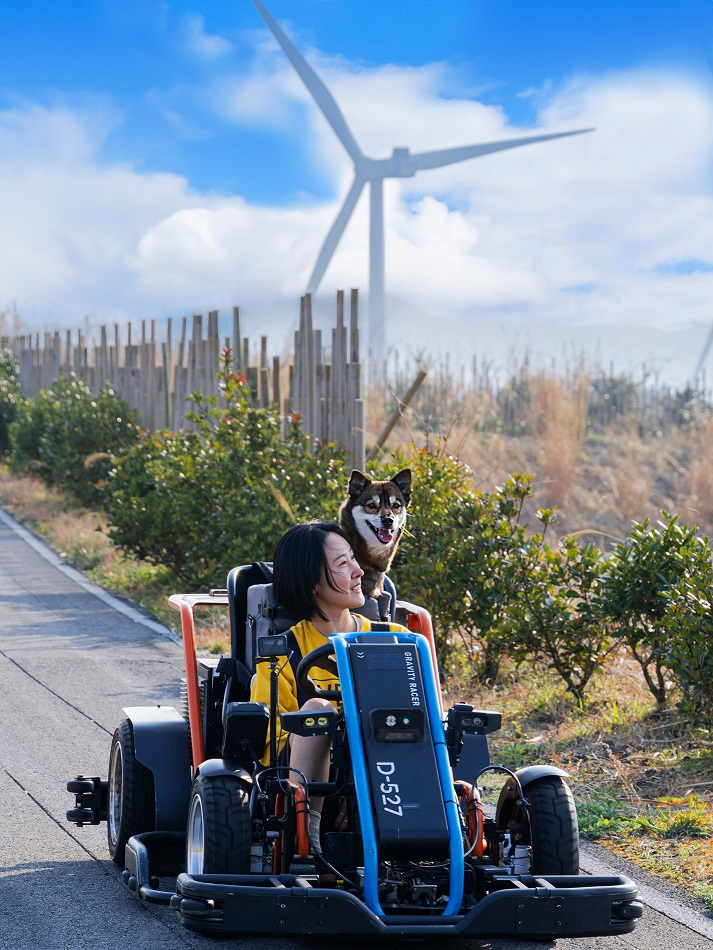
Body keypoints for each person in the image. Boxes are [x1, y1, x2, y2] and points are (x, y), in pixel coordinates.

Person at [250, 520, 407, 854]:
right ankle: (307, 843)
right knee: (317, 711)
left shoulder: (395, 639)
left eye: (353, 558)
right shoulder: (282, 651)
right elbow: (269, 742)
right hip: (300, 777)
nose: (358, 571)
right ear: (312, 583)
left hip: (387, 774)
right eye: (342, 564)